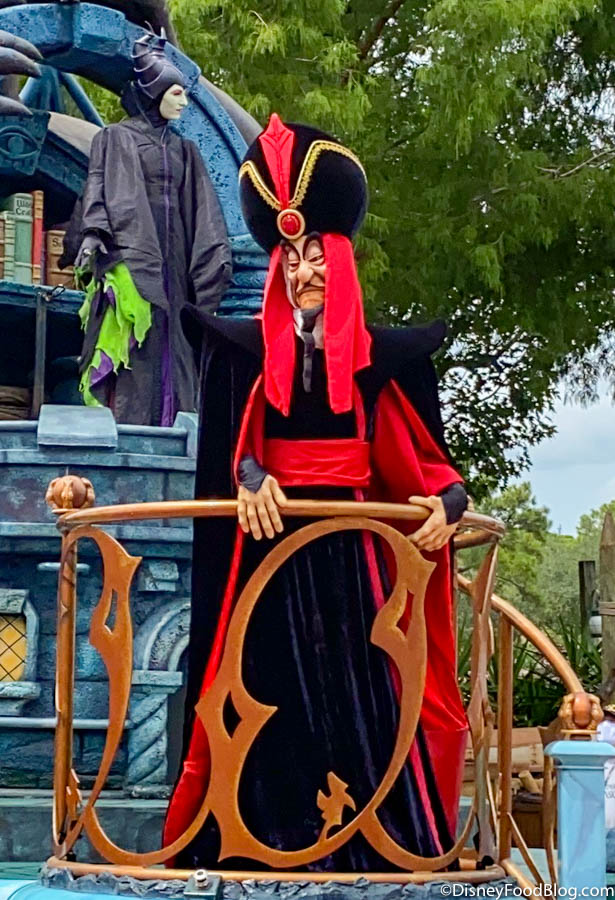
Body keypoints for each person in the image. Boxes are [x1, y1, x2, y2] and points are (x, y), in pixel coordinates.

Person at [164, 114, 469, 871]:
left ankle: (378, 849)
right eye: (291, 259)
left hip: (353, 562)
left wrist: (447, 506)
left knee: (366, 699)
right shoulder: (240, 354)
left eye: (317, 257)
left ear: (342, 260)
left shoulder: (383, 362)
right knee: (260, 696)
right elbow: (233, 450)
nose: (304, 272)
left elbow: (424, 464)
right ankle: (250, 850)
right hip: (267, 554)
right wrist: (249, 477)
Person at [63, 31, 232, 425]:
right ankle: (128, 427)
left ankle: (175, 426)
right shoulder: (115, 138)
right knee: (134, 347)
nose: (184, 102)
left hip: (176, 265)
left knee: (176, 344)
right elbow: (98, 185)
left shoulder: (185, 150)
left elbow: (204, 210)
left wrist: (213, 262)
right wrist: (93, 234)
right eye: (176, 93)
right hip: (129, 255)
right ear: (155, 92)